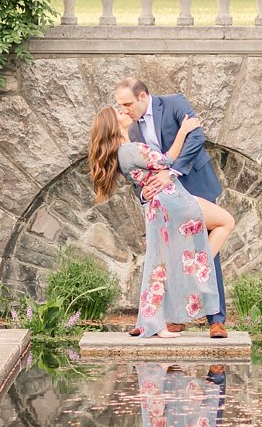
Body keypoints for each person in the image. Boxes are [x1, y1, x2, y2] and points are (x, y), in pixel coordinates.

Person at [89, 107, 235, 338]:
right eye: (118, 112)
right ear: (113, 125)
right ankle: (193, 276)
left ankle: (183, 285)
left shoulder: (124, 151)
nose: (124, 112)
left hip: (163, 203)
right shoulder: (129, 149)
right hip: (173, 199)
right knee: (226, 222)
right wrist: (183, 131)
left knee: (163, 260)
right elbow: (167, 160)